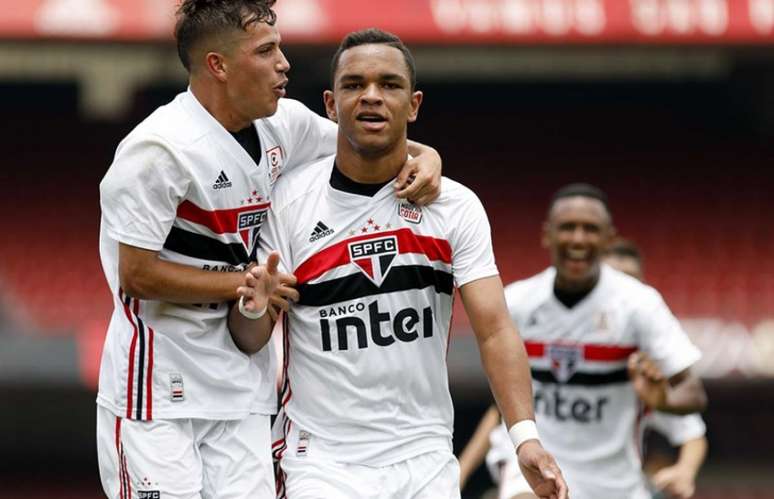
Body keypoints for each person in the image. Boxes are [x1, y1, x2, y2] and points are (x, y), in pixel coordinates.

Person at [95, 1, 443, 497]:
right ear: (219, 65)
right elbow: (137, 275)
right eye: (266, 50)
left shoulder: (287, 125)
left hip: (244, 393)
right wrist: (243, 283)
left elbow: (370, 141)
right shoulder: (158, 150)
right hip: (157, 396)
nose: (284, 63)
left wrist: (428, 156)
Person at [232, 29, 568, 499]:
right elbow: (250, 337)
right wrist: (253, 307)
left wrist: (525, 437)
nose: (371, 96)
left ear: (413, 105)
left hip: (424, 455)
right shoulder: (287, 203)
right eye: (354, 85)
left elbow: (494, 330)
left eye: (389, 84)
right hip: (323, 460)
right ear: (331, 104)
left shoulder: (455, 206)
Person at [457, 183, 707, 499]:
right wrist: (461, 472)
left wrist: (662, 401)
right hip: (536, 466)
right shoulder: (518, 302)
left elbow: (694, 392)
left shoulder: (639, 304)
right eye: (567, 228)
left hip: (614, 483)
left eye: (590, 229)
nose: (577, 238)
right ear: (547, 234)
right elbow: (499, 406)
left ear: (608, 238)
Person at [605, 239, 708, 499]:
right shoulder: (552, 343)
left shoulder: (645, 372)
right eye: (613, 278)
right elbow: (500, 413)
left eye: (630, 280)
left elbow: (693, 434)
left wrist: (684, 472)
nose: (622, 289)